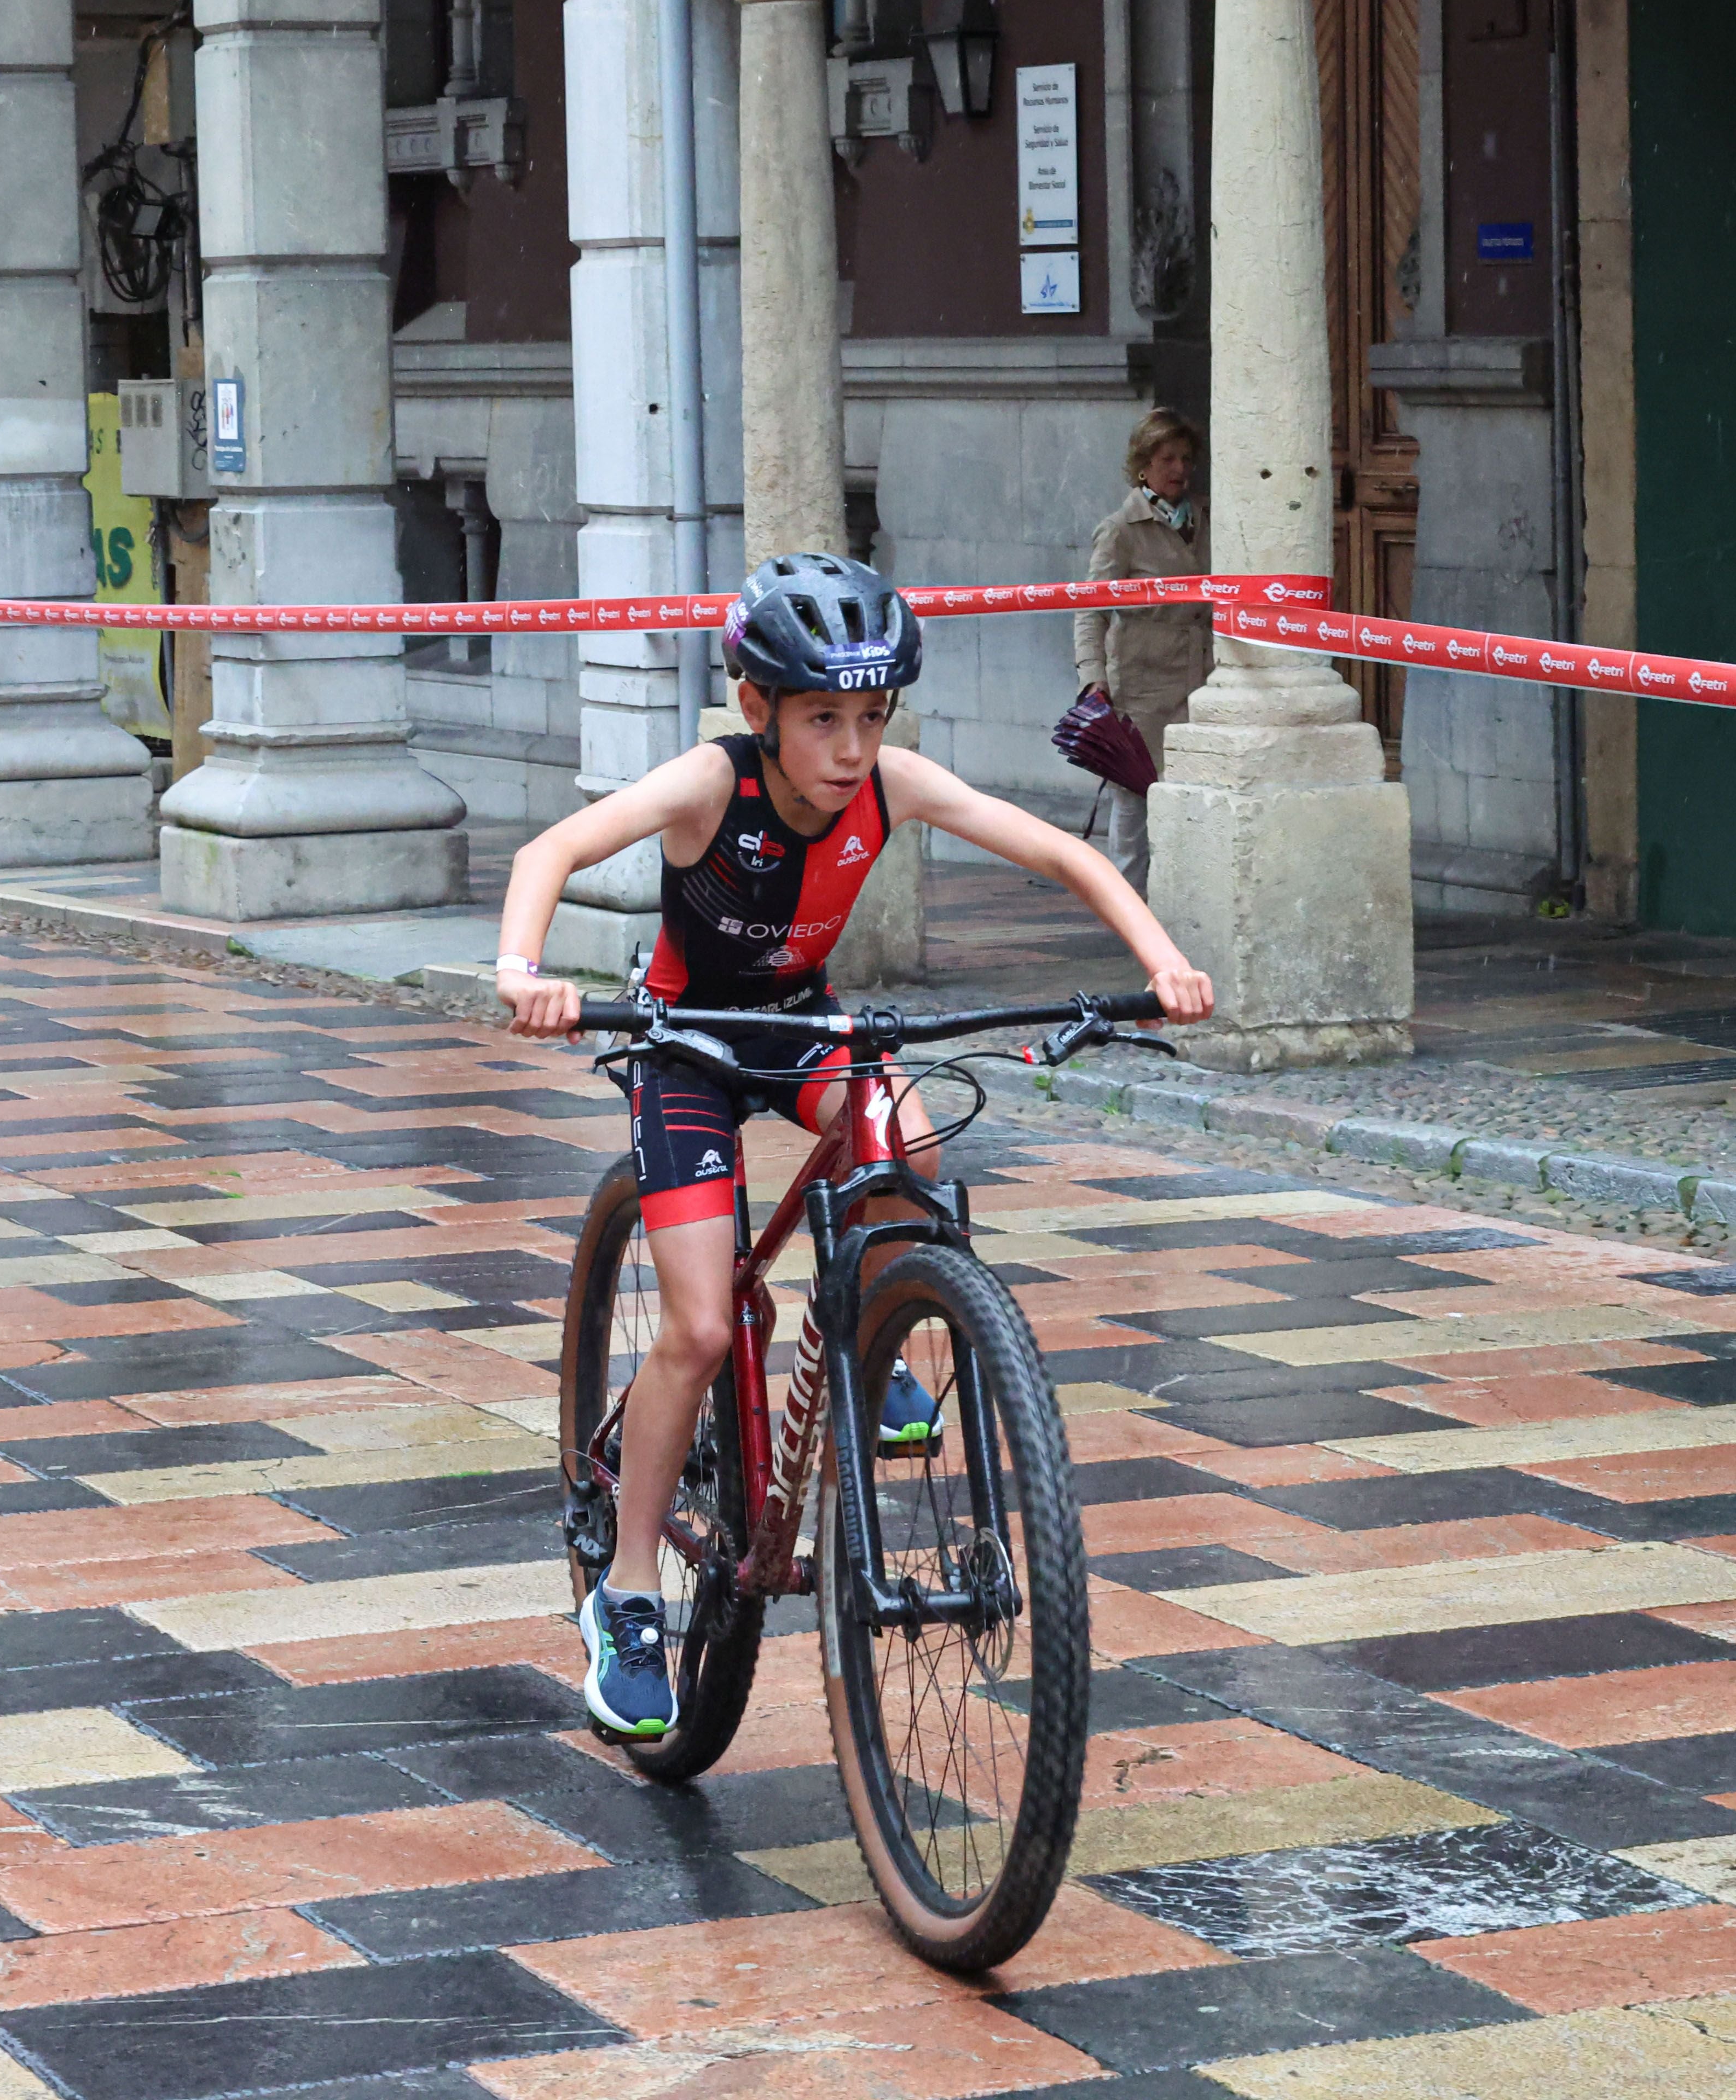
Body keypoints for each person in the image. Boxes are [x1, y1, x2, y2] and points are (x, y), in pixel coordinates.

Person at [495, 552, 1215, 1739]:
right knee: (701, 1323)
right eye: (823, 717)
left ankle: (870, 1334)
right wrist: (527, 973)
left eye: (871, 717)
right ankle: (626, 1593)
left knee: (914, 1146)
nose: (850, 746)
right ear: (757, 710)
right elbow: (549, 855)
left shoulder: (893, 783)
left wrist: (1162, 961)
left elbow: (1062, 852)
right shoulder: (706, 785)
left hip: (799, 1023)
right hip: (685, 1040)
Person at [1069, 408, 1211, 891]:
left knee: (1192, 803)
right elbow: (1091, 610)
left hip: (1201, 679)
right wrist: (1094, 679)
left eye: (1186, 459)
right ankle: (1128, 911)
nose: (1179, 469)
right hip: (1142, 687)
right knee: (1134, 807)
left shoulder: (1207, 520)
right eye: (1167, 458)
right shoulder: (1121, 530)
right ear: (1143, 466)